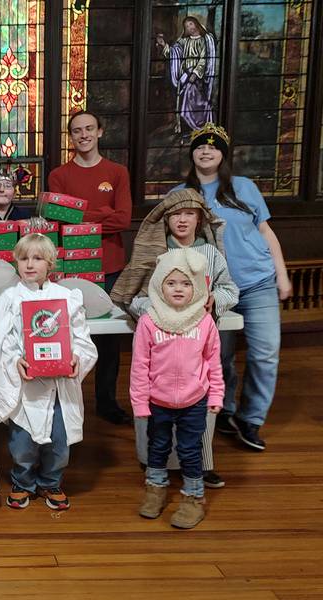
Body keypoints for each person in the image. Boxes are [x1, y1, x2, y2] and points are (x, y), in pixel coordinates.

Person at [111, 187, 238, 488]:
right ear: (165, 219)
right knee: (155, 405)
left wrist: (215, 299)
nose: (182, 220)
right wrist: (159, 310)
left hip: (198, 340)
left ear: (199, 218)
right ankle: (153, 464)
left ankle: (200, 466)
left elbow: (230, 289)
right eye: (176, 214)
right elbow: (132, 296)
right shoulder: (155, 252)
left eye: (189, 213)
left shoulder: (211, 254)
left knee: (199, 402)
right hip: (160, 341)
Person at [177, 123, 291, 452]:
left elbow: (265, 232)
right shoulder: (181, 194)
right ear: (192, 153)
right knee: (219, 355)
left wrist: (282, 274)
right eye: (200, 146)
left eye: (213, 147)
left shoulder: (244, 187)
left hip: (258, 282)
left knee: (266, 353)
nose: (206, 151)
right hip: (212, 290)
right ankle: (224, 408)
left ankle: (251, 418)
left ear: (223, 155)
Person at [0, 234, 97, 510]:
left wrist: (76, 359)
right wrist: (15, 361)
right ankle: (22, 482)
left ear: (51, 263)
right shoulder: (10, 299)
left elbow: (82, 340)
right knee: (22, 443)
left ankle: (50, 481)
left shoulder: (66, 298)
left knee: (59, 441)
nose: (30, 264)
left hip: (59, 386)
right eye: (24, 258)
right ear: (16, 262)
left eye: (37, 258)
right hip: (26, 386)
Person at [47, 110, 133, 424]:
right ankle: (68, 403)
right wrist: (102, 214)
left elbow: (123, 219)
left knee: (109, 340)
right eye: (76, 130)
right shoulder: (59, 175)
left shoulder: (117, 172)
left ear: (100, 132)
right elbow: (58, 220)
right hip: (71, 267)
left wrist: (79, 216)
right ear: (71, 136)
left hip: (110, 266)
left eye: (89, 129)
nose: (83, 135)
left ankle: (107, 402)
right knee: (70, 336)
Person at [130, 248, 223, 529]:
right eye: (171, 283)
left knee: (190, 449)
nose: (178, 289)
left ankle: (194, 497)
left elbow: (213, 362)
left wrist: (216, 394)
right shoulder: (148, 322)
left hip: (195, 401)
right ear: (159, 285)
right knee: (157, 447)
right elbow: (139, 366)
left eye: (185, 283)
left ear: (196, 288)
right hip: (158, 400)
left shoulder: (204, 322)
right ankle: (155, 489)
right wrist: (140, 402)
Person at [156, 16, 217, 134]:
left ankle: (199, 125)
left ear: (196, 24)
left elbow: (204, 59)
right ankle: (187, 129)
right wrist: (164, 45)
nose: (189, 27)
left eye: (191, 24)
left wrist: (195, 73)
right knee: (184, 100)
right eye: (187, 26)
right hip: (185, 75)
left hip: (197, 76)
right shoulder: (184, 41)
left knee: (195, 101)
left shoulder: (204, 40)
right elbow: (174, 53)